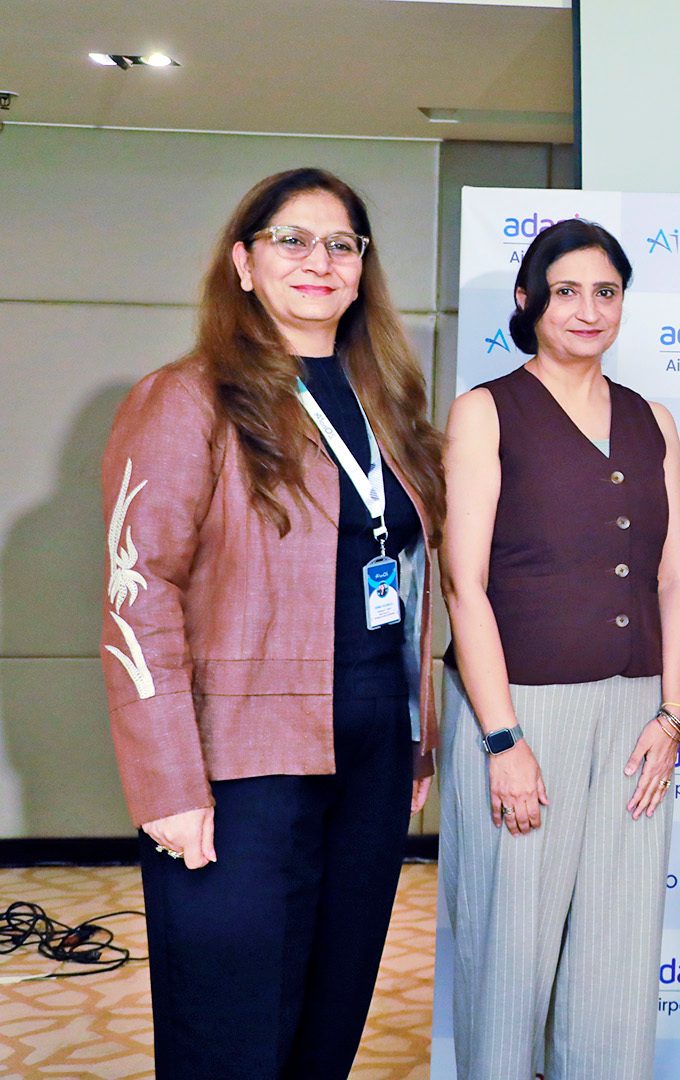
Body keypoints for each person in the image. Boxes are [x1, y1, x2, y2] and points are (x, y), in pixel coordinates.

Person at [97, 167, 444, 1079]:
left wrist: (415, 738)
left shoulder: (387, 406)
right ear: (244, 262)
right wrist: (166, 782)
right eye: (293, 239)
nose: (319, 261)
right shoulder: (186, 397)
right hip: (238, 769)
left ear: (363, 269)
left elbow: (405, 583)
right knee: (232, 1027)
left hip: (370, 759)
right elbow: (140, 593)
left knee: (329, 1023)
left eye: (342, 244)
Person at [438, 218, 680, 1080]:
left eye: (607, 291)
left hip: (636, 717)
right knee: (509, 962)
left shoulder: (652, 417)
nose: (589, 309)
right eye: (567, 290)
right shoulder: (485, 410)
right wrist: (502, 741)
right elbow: (463, 585)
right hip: (522, 710)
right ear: (528, 299)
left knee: (617, 964)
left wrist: (672, 714)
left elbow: (674, 579)